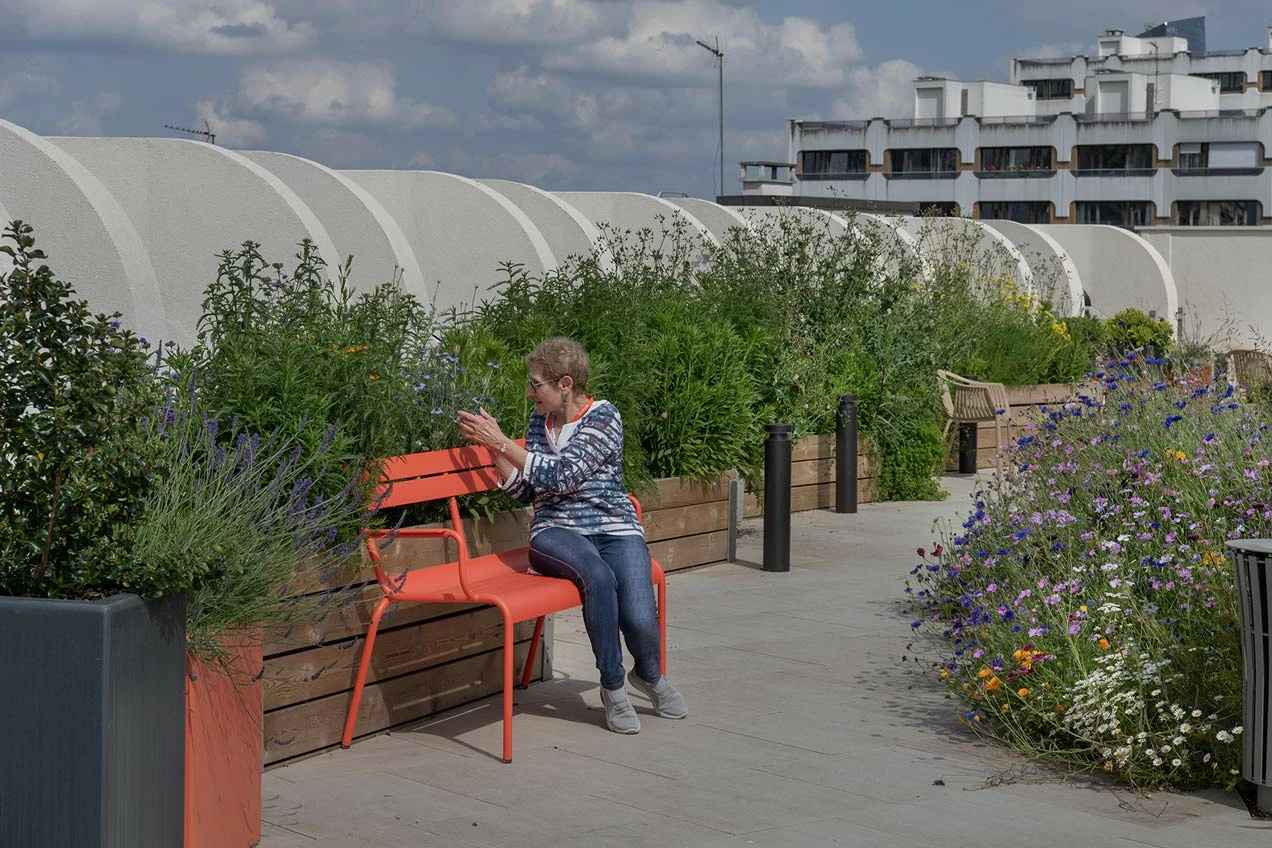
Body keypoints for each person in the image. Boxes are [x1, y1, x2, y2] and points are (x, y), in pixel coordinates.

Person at [457, 337, 687, 734]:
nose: (530, 393)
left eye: (536, 384)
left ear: (565, 384)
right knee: (597, 577)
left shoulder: (603, 417)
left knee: (638, 615)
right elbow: (529, 491)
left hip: (615, 527)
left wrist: (502, 443)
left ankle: (648, 675)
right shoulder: (537, 421)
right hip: (555, 531)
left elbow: (561, 475)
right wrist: (496, 454)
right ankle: (613, 687)